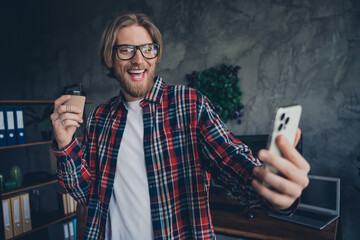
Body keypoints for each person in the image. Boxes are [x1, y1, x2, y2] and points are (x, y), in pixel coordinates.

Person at [51, 12, 310, 240]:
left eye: (147, 49)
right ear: (110, 57)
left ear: (156, 55)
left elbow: (232, 160)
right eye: (126, 50)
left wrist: (271, 186)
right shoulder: (99, 117)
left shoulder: (189, 104)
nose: (138, 59)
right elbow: (86, 193)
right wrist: (65, 144)